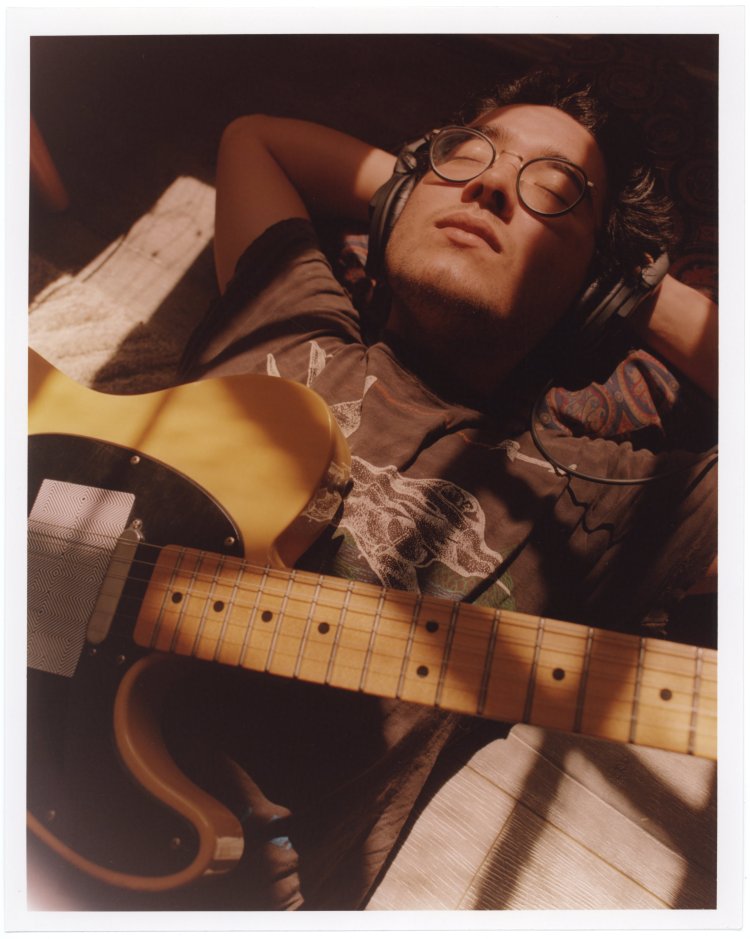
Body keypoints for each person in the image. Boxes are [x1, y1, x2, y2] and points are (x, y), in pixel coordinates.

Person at [162, 69, 718, 911]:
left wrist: (626, 296)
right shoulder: (291, 312)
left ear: (594, 295)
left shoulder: (593, 503)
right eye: (466, 155)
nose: (492, 186)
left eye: (554, 192)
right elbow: (257, 139)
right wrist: (416, 189)